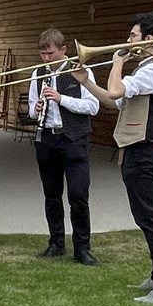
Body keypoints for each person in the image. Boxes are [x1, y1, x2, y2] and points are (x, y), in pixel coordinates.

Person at [76, 12, 153, 304]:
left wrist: (117, 62)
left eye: (133, 36)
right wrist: (85, 82)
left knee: (150, 217)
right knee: (144, 216)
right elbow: (114, 100)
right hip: (136, 148)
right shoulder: (144, 71)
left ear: (148, 40)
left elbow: (116, 87)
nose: (127, 41)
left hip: (145, 149)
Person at [28, 28, 100, 265]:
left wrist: (61, 99)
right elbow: (30, 109)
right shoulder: (37, 74)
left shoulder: (81, 71)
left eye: (50, 53)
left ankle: (82, 248)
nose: (46, 59)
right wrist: (35, 110)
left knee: (78, 196)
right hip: (47, 139)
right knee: (52, 196)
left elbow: (93, 107)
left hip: (74, 139)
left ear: (63, 50)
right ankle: (56, 243)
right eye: (42, 54)